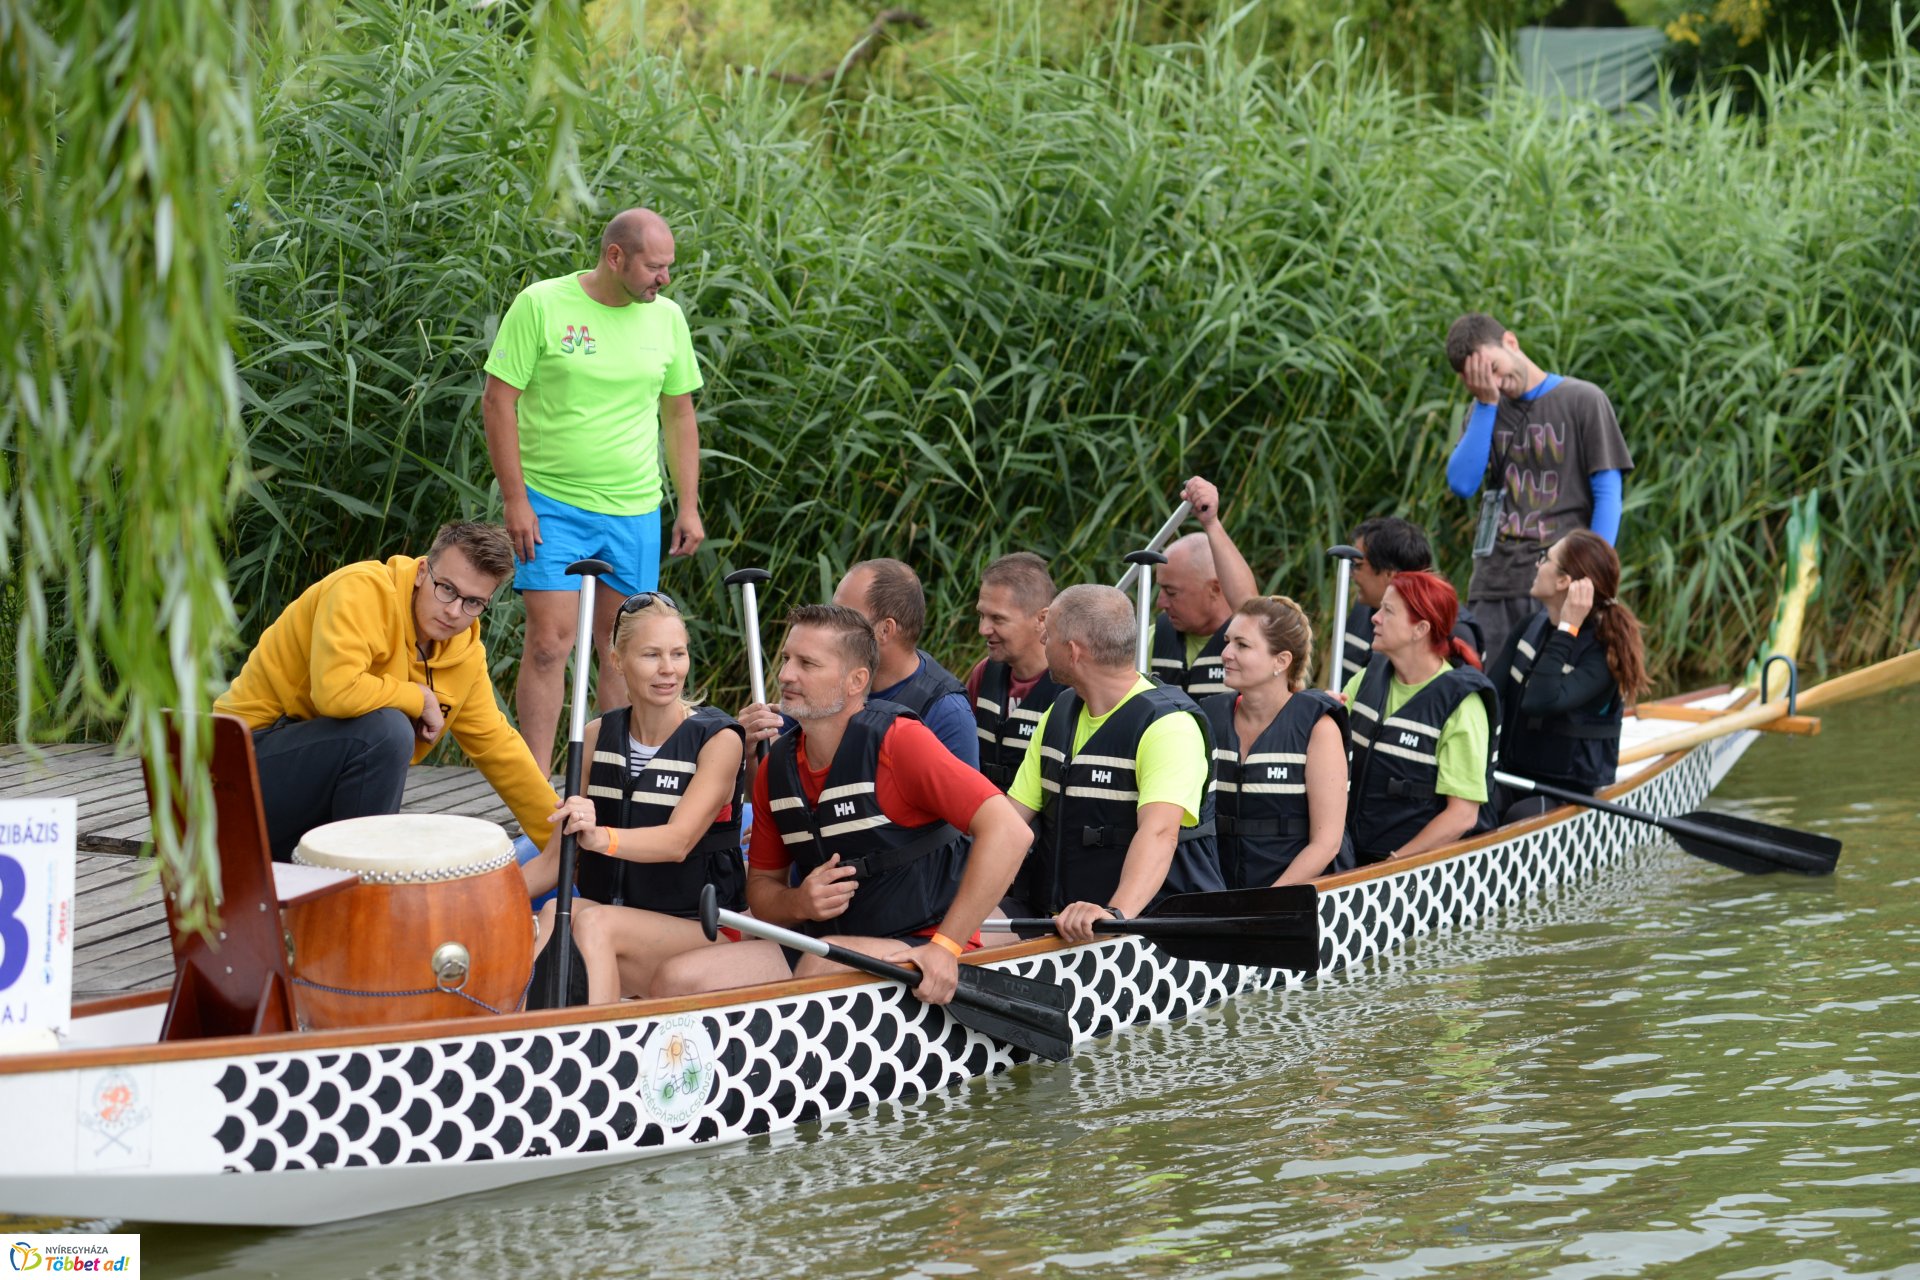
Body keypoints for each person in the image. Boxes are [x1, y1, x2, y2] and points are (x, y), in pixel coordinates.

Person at [652, 606, 1033, 1005]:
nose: (785, 675)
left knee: (820, 968)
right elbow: (762, 890)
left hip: (922, 947)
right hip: (827, 944)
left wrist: (946, 947)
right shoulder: (775, 769)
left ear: (856, 681)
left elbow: (1010, 831)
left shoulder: (899, 743)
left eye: (807, 664)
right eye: (785, 659)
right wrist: (799, 902)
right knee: (676, 978)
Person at [484, 208, 708, 772]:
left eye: (668, 267)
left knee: (622, 655)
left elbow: (680, 415)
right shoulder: (542, 304)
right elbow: (498, 400)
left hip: (634, 510)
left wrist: (687, 504)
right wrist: (515, 500)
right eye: (655, 267)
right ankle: (536, 789)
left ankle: (613, 782)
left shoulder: (667, 319)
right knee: (548, 646)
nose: (665, 279)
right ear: (615, 257)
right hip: (551, 504)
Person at [214, 521, 557, 861]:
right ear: (423, 571)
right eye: (447, 589)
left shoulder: (464, 653)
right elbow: (335, 692)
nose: (454, 611)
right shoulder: (361, 590)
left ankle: (348, 892)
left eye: (473, 602)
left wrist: (564, 841)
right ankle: (363, 894)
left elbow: (499, 748)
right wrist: (419, 696)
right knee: (386, 732)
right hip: (233, 777)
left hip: (299, 802)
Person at [522, 593, 746, 1004]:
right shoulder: (594, 737)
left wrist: (600, 837)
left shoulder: (718, 740)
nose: (668, 669)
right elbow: (555, 863)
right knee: (554, 913)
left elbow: (678, 842)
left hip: (702, 926)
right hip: (623, 922)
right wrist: (476, 899)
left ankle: (601, 1049)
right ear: (617, 660)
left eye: (678, 654)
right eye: (651, 655)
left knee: (596, 924)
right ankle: (528, 1041)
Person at [1004, 585, 1225, 941]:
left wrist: (1114, 914)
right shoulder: (1058, 713)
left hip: (1145, 928)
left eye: (1049, 637)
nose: (1042, 643)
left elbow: (1160, 833)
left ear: (1073, 652)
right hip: (1058, 918)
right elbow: (1010, 822)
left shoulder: (1169, 727)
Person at [1443, 313, 1633, 663]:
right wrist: (1486, 405)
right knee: (1488, 691)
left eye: (1495, 368)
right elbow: (1462, 483)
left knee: (1552, 687)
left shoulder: (1583, 399)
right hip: (1496, 581)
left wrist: (1592, 574)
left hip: (1561, 580)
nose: (1496, 382)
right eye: (1482, 378)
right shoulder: (1485, 408)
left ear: (1511, 343)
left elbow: (1608, 492)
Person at [1485, 530, 1650, 824]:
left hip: (1565, 792)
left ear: (1564, 582)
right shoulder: (1529, 627)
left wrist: (1568, 627)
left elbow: (1539, 700)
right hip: (1510, 774)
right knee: (1472, 808)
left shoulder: (1602, 654)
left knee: (1518, 816)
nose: (1537, 565)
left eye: (1545, 559)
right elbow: (1488, 696)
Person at [1342, 571, 1496, 866]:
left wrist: (1393, 863)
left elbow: (1462, 815)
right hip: (1349, 852)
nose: (1374, 617)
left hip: (1406, 868)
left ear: (1420, 629)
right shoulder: (1367, 679)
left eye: (1388, 611)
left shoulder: (1463, 705)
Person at [1203, 597, 1354, 887]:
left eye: (1242, 645)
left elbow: (1326, 844)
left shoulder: (1319, 729)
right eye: (1227, 641)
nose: (1225, 653)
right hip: (1218, 897)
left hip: (1293, 900)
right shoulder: (1209, 718)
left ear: (1281, 661)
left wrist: (1268, 903)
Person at [831, 559, 979, 767]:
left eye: (844, 618)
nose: (830, 629)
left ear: (885, 630)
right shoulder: (827, 677)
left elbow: (964, 799)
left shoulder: (947, 713)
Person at [1340, 516, 1486, 684]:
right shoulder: (1365, 608)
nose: (1351, 574)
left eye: (1357, 566)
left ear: (1390, 574)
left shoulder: (1453, 629)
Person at [1148, 476, 1258, 698]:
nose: (1160, 603)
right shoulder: (1149, 640)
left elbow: (1251, 608)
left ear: (1215, 589)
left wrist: (1211, 522)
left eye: (1171, 592)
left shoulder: (1254, 644)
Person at [966, 552, 1063, 790]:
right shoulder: (983, 674)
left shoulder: (1071, 687)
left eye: (997, 619)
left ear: (1042, 619)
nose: (983, 629)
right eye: (981, 615)